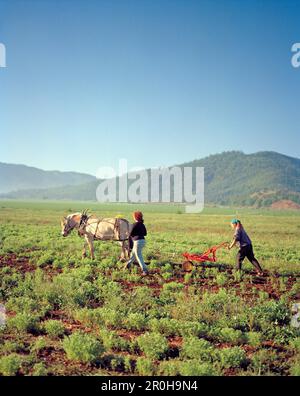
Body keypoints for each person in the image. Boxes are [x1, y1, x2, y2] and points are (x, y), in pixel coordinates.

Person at [124, 211, 149, 276]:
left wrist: (127, 233)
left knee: (138, 256)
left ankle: (145, 270)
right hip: (142, 241)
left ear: (135, 217)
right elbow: (145, 233)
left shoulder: (135, 224)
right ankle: (128, 265)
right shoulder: (142, 224)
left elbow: (131, 233)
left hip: (137, 242)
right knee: (133, 255)